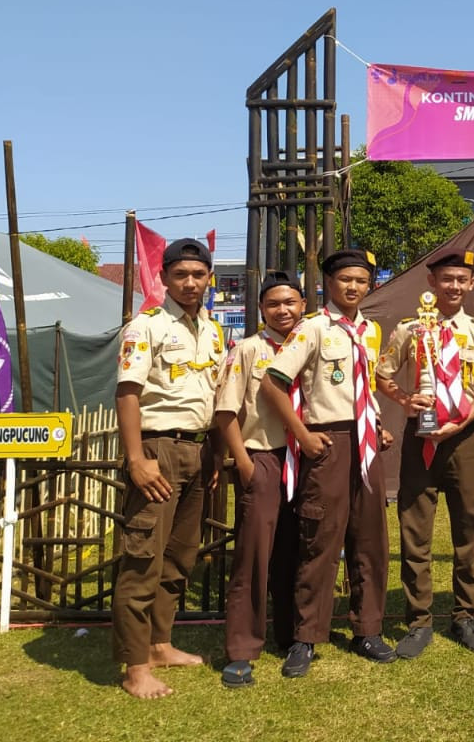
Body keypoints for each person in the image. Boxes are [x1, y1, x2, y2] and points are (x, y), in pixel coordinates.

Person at [261, 249, 396, 675]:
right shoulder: (313, 329)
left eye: (361, 280)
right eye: (345, 280)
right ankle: (307, 636)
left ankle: (368, 627)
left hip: (365, 439)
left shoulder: (370, 331)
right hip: (329, 441)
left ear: (370, 284)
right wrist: (302, 435)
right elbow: (273, 382)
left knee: (370, 537)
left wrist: (376, 422)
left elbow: (364, 386)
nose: (353, 287)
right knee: (320, 539)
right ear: (328, 285)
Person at [112, 237, 224, 699]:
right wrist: (137, 459)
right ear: (164, 278)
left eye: (199, 274)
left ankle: (160, 643)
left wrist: (215, 454)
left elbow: (215, 397)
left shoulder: (213, 331)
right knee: (142, 559)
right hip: (157, 449)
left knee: (180, 557)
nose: (191, 282)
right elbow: (128, 393)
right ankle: (135, 667)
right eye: (181, 274)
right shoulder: (146, 327)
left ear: (209, 278)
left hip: (198, 451)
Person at [375, 250, 474, 658]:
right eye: (446, 279)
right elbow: (383, 373)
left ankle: (465, 615)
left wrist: (463, 422)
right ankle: (418, 620)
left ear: (471, 284)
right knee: (415, 527)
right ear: (431, 282)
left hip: (463, 438)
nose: (453, 286)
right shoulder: (411, 328)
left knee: (469, 526)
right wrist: (405, 400)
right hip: (421, 437)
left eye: (461, 280)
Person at [213, 271, 306, 688]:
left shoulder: (313, 345)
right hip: (264, 456)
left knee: (297, 549)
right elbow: (226, 412)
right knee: (254, 554)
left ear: (303, 306)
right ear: (262, 309)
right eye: (274, 304)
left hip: (305, 460)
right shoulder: (247, 350)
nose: (283, 310)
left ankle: (292, 635)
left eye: (290, 303)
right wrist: (244, 463)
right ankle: (242, 648)